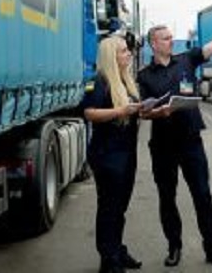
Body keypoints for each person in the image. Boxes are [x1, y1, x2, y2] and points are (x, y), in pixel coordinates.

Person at [137, 3, 212, 268]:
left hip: (191, 143)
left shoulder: (187, 59)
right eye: (165, 38)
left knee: (203, 196)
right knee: (167, 199)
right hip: (163, 146)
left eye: (170, 37)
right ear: (154, 44)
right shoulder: (144, 76)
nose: (170, 41)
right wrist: (158, 113)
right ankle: (174, 247)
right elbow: (141, 111)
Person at [82, 36, 143, 273]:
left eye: (128, 50)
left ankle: (117, 249)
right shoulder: (98, 81)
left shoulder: (126, 81)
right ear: (111, 56)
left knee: (120, 206)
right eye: (124, 51)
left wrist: (149, 109)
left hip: (127, 153)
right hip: (107, 154)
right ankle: (108, 259)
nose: (129, 54)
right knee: (109, 207)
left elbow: (133, 112)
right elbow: (89, 113)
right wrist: (121, 110)